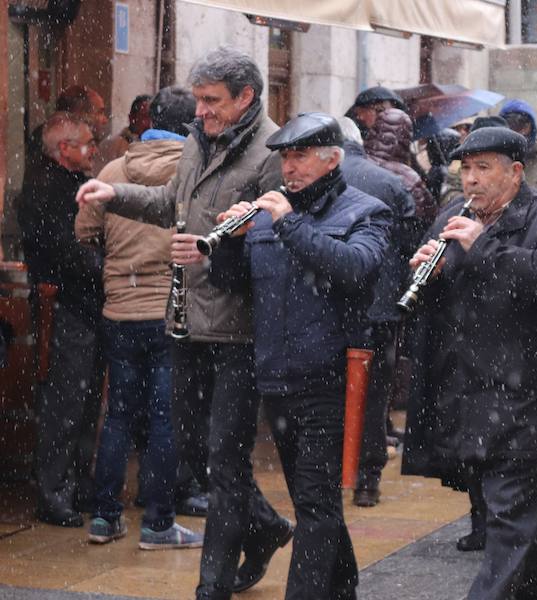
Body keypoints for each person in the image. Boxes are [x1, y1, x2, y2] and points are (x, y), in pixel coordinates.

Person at [75, 47, 291, 599]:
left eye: (212, 101)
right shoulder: (198, 140)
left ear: (246, 98)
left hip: (239, 329)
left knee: (223, 457)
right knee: (194, 449)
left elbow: (273, 246)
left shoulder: (272, 153)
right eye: (197, 99)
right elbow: (172, 201)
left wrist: (211, 254)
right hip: (185, 320)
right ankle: (264, 527)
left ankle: (211, 585)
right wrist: (115, 193)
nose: (200, 111)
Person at [209, 112, 392, 599]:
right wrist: (228, 244)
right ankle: (343, 589)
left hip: (331, 378)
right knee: (315, 502)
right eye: (286, 157)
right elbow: (233, 285)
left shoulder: (365, 211)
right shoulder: (268, 215)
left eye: (301, 156)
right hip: (276, 378)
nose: (290, 168)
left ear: (333, 159)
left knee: (314, 504)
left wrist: (289, 224)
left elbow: (355, 270)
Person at [402, 126, 537, 599]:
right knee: (515, 527)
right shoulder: (450, 215)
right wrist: (431, 276)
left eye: (484, 168)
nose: (471, 180)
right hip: (468, 395)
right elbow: (446, 306)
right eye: (465, 169)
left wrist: (483, 247)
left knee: (508, 523)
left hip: (526, 397)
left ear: (516, 172)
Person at [75, 86, 203, 548]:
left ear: (148, 120)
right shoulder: (194, 173)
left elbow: (86, 230)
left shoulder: (112, 168)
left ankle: (105, 517)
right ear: (193, 125)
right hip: (171, 313)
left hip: (119, 310)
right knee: (166, 418)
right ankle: (158, 523)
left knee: (119, 415)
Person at [18, 112, 105, 528]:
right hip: (70, 306)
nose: (94, 149)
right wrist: (105, 268)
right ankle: (55, 492)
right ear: (64, 149)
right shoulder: (48, 187)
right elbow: (64, 250)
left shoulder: (66, 182)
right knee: (66, 404)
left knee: (84, 403)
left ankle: (77, 486)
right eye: (88, 142)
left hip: (85, 305)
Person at [337, 116, 418, 507]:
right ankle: (367, 479)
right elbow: (408, 245)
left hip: (329, 303)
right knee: (373, 395)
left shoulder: (316, 180)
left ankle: (334, 469)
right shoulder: (390, 182)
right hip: (381, 307)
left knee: (329, 391)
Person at [364, 107, 437, 228]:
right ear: (406, 137)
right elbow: (428, 216)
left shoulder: (359, 164)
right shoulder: (408, 176)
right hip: (394, 239)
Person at [499, 99, 537, 188]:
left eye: (523, 125)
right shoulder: (495, 158)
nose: (519, 133)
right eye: (512, 125)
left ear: (532, 127)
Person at [93, 93, 153, 172]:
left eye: (153, 117)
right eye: (145, 117)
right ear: (132, 118)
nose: (150, 123)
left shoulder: (156, 146)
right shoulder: (111, 146)